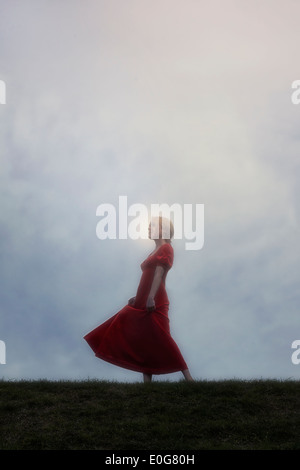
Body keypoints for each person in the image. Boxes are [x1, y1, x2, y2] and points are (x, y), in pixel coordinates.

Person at [84, 216, 193, 383]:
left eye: (152, 227)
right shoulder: (154, 251)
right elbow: (147, 278)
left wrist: (150, 297)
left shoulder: (166, 248)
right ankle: (147, 385)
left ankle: (188, 378)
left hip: (155, 299)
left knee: (163, 336)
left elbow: (158, 274)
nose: (148, 230)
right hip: (143, 299)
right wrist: (138, 297)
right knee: (143, 337)